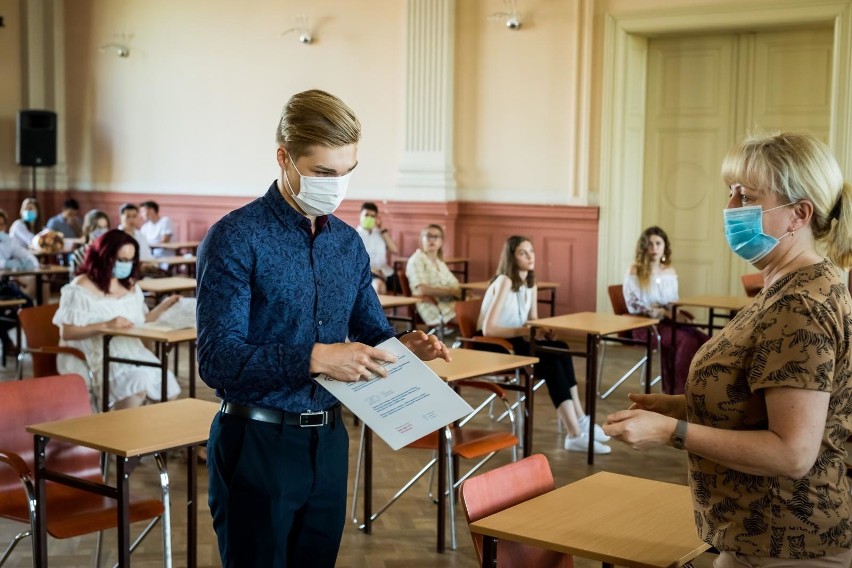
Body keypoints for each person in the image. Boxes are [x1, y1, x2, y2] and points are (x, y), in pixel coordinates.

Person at [196, 89, 451, 568]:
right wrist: (313, 356)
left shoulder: (348, 244)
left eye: (347, 173)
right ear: (284, 158)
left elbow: (370, 329)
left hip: (331, 440)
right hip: (256, 440)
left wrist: (404, 347)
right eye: (323, 173)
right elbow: (216, 360)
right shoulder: (236, 236)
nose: (336, 187)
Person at [604, 132, 852, 567]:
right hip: (756, 535)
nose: (730, 208)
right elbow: (763, 401)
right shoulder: (789, 283)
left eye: (747, 196)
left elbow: (792, 453)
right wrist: (681, 407)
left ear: (799, 214)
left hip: (789, 541)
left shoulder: (801, 304)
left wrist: (670, 433)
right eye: (731, 193)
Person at [478, 235, 611, 454]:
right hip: (494, 344)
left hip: (515, 339)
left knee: (562, 349)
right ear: (511, 257)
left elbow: (532, 320)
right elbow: (488, 329)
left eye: (531, 251)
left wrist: (543, 331)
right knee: (550, 364)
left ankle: (581, 420)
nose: (530, 257)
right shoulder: (504, 280)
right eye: (523, 252)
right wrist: (527, 331)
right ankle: (574, 434)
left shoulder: (530, 282)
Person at [53, 229, 181, 410]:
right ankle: (117, 432)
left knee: (168, 387)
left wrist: (166, 305)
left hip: (132, 351)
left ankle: (148, 435)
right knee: (139, 385)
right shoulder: (81, 287)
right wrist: (105, 325)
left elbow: (141, 321)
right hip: (101, 354)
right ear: (104, 257)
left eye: (130, 260)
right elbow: (67, 332)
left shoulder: (130, 285)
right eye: (121, 260)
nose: (125, 265)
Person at [623, 226, 709, 394]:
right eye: (649, 244)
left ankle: (701, 388)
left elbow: (672, 301)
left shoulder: (669, 270)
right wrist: (658, 311)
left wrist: (670, 311)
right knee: (686, 340)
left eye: (658, 243)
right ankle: (678, 392)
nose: (654, 248)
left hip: (668, 321)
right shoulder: (635, 270)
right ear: (643, 247)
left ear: (664, 246)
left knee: (705, 339)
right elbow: (632, 304)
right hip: (645, 325)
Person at [405, 224, 461, 330]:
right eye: (428, 236)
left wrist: (462, 292)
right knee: (471, 317)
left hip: (449, 302)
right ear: (422, 239)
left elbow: (455, 284)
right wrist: (451, 292)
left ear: (441, 242)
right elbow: (422, 289)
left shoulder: (440, 263)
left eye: (436, 237)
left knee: (479, 310)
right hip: (431, 305)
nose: (432, 240)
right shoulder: (416, 260)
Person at [0, 209, 36, 354]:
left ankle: (2, 327)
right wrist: (9, 263)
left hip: (3, 284)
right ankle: (6, 341)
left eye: (2, 225)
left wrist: (18, 263)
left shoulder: (8, 241)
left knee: (27, 303)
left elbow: (30, 260)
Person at [355, 201, 398, 293]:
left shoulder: (380, 233)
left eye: (372, 216)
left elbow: (394, 250)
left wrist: (382, 229)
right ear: (360, 216)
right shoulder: (354, 235)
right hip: (367, 273)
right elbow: (353, 261)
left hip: (386, 271)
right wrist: (373, 270)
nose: (369, 218)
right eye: (366, 215)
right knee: (378, 286)